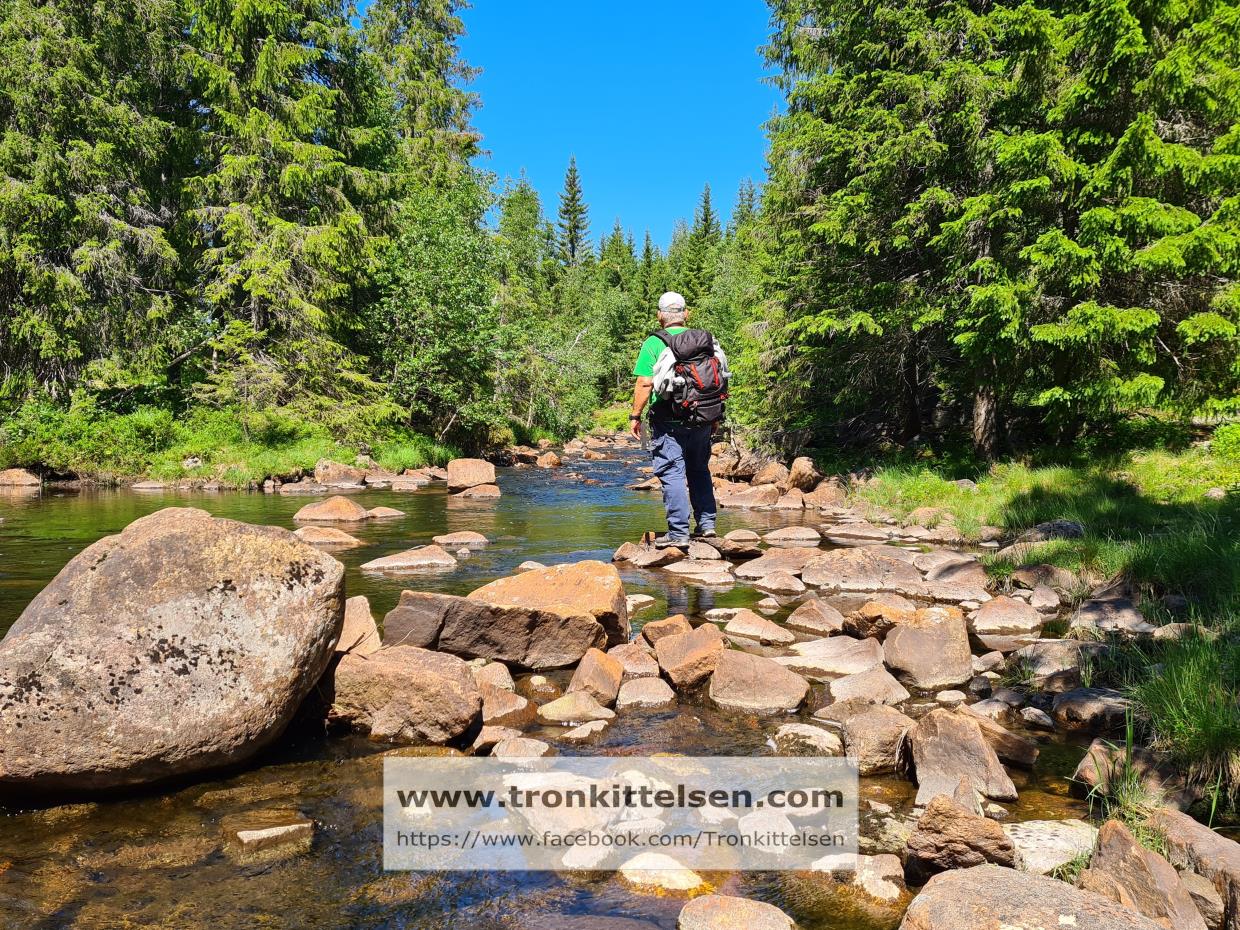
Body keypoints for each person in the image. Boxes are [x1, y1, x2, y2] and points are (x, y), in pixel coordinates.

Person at [629, 291, 728, 547]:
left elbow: (644, 383)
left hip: (668, 420)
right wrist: (714, 413)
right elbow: (718, 378)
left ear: (660, 316)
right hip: (704, 417)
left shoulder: (654, 343)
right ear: (686, 314)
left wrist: (635, 415)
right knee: (699, 470)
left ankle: (678, 533)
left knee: (672, 472)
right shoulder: (705, 341)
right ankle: (706, 526)